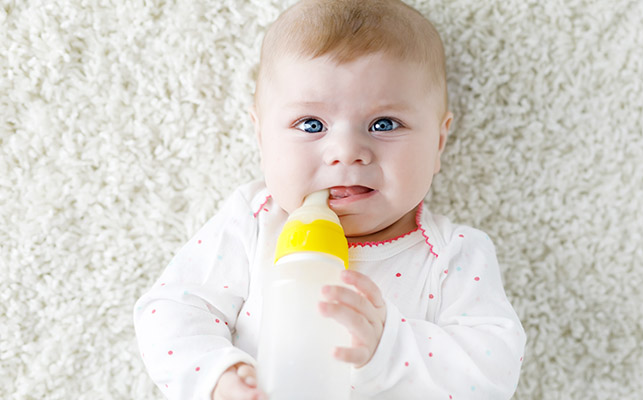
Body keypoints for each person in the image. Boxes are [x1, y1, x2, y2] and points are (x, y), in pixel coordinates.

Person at [133, 0, 526, 398]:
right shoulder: (254, 222)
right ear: (261, 137)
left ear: (438, 143)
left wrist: (388, 346)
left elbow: (493, 370)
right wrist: (219, 376)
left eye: (383, 124)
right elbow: (171, 310)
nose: (346, 151)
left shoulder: (452, 256)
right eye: (311, 124)